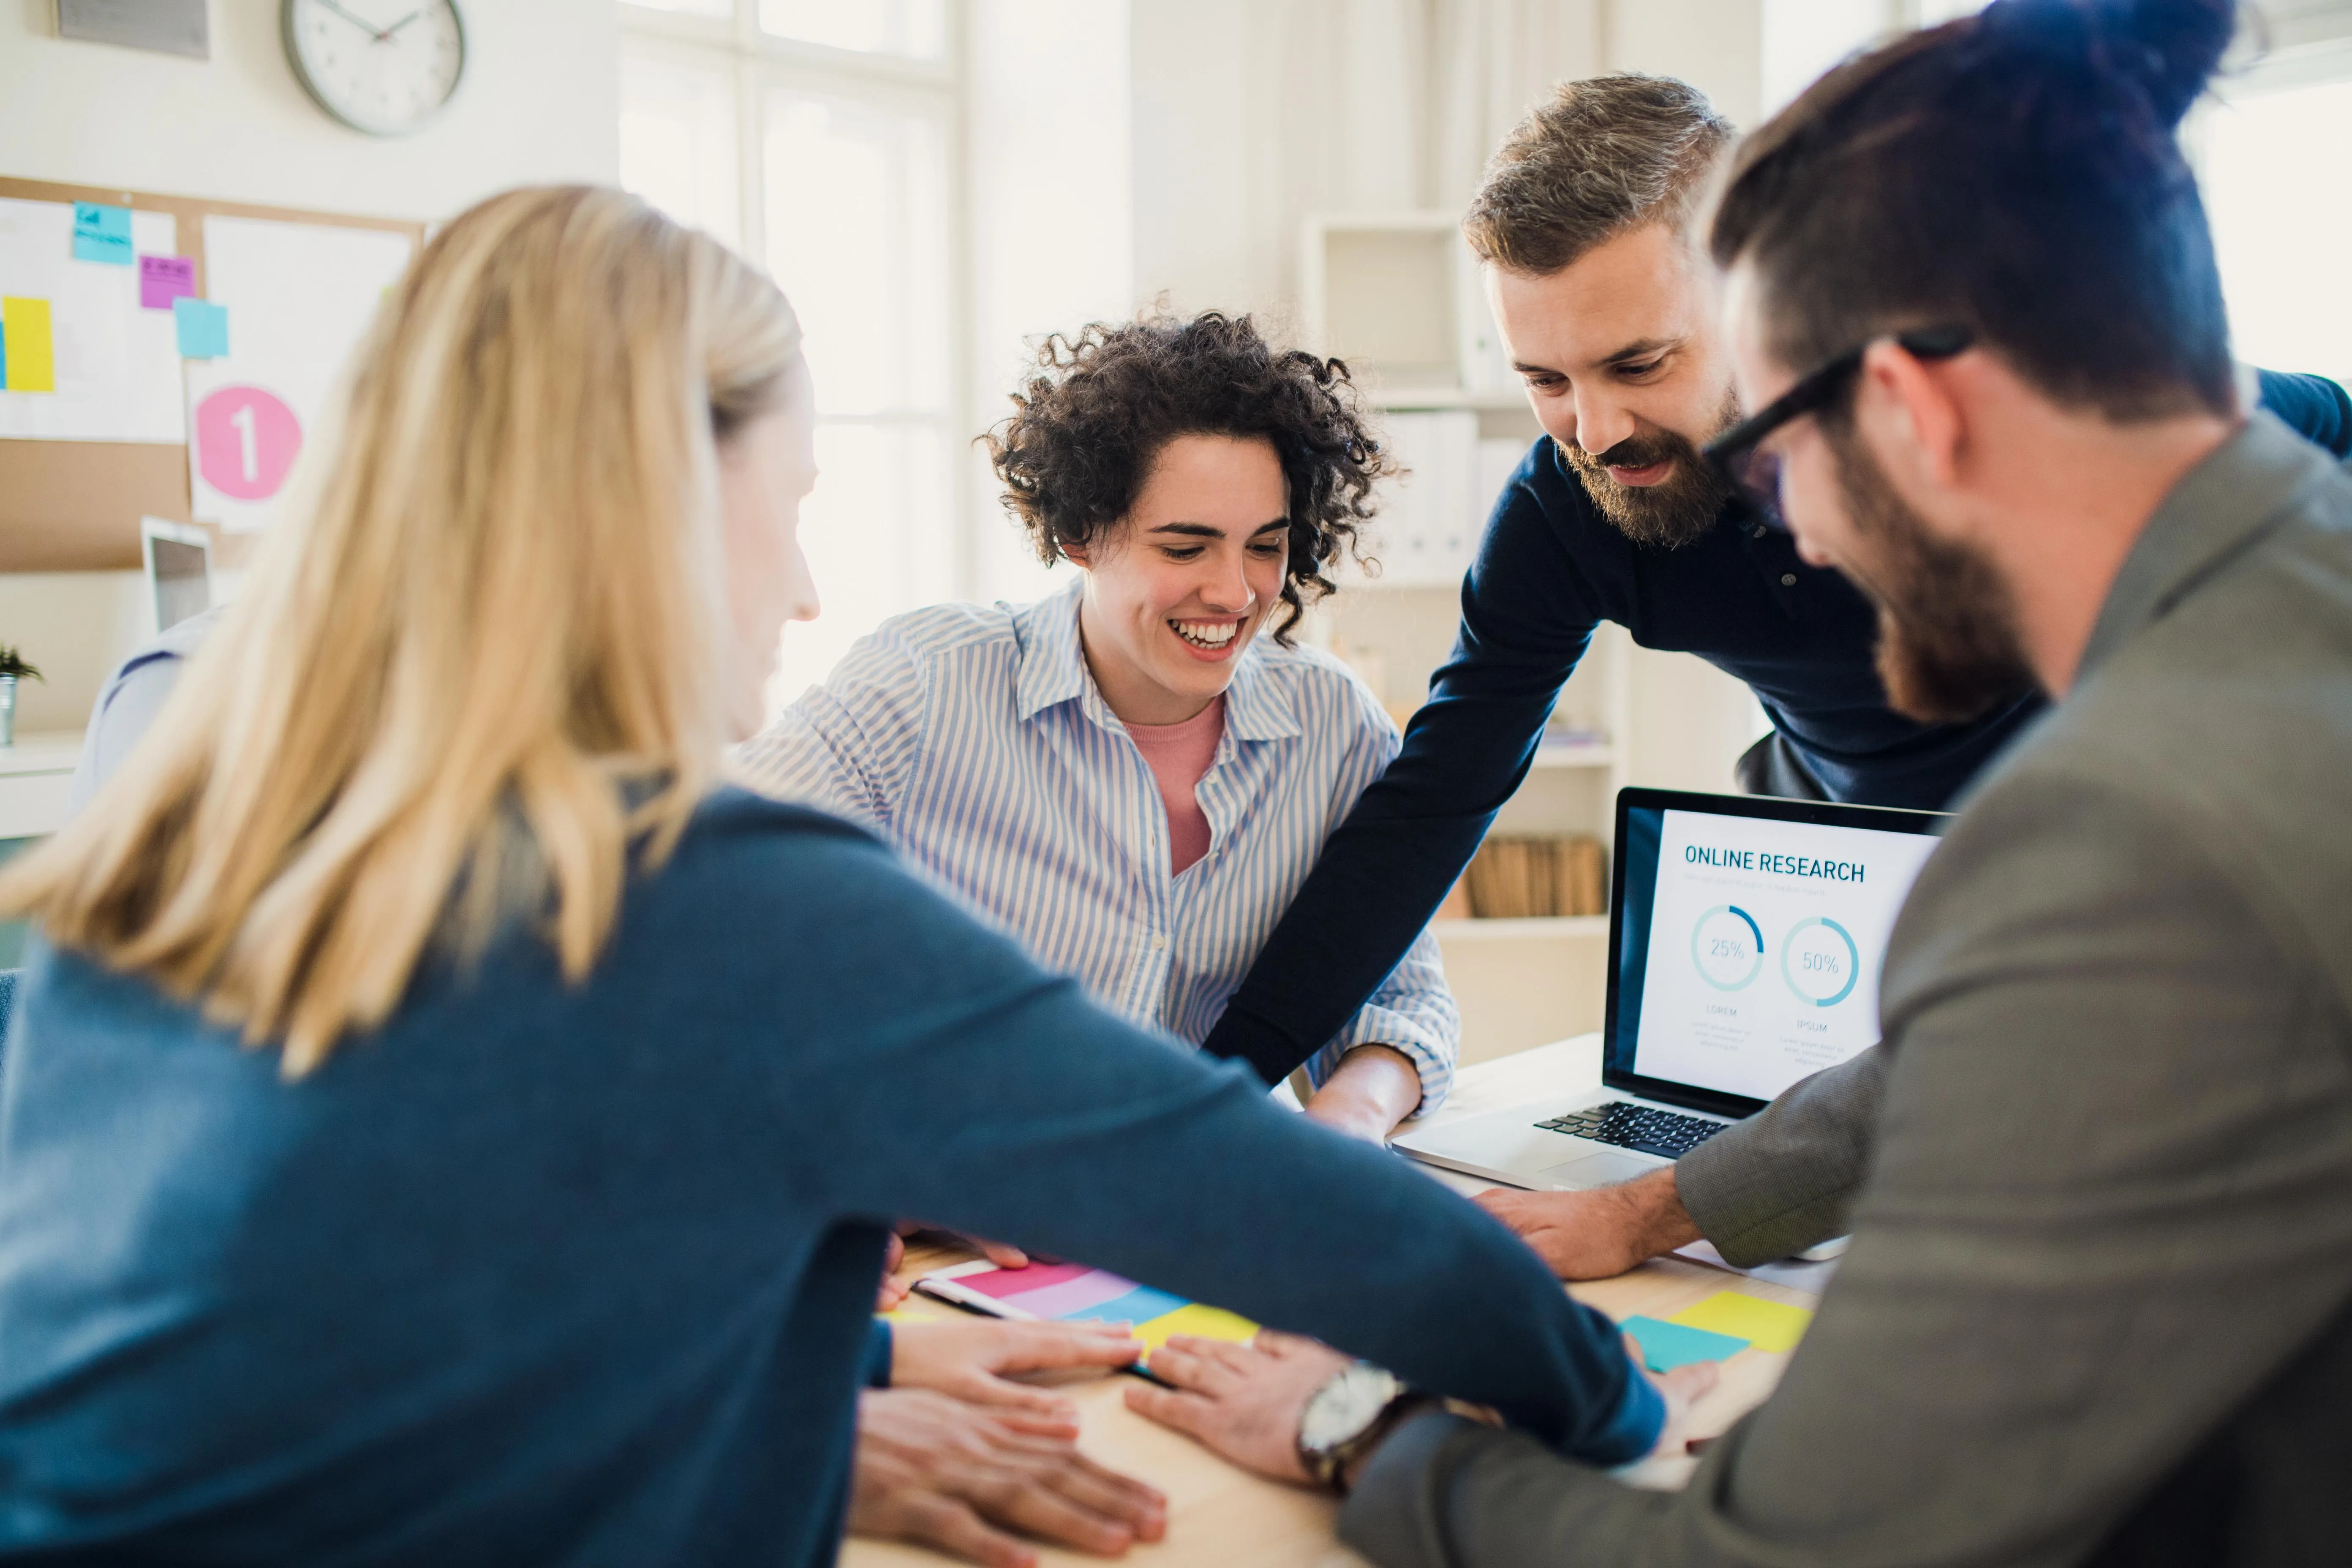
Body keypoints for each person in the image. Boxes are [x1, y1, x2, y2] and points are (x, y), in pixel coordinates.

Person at [0, 185, 1707, 1565]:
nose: (804, 583)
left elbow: (347, 1309)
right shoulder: (733, 898)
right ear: (656, 505)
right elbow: (1353, 1246)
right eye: (788, 498)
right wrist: (1632, 1423)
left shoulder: (179, 783)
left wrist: (843, 1366)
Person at [1129, 0, 2352, 1561]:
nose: (1795, 543)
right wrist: (1249, 1083)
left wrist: (1367, 1432)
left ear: (1904, 409)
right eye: (1544, 385)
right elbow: (1450, 777)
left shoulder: (2116, 840)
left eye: (1774, 433)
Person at [1194, 68, 2352, 1102]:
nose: (1594, 429)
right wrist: (1219, 1085)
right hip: (1843, 857)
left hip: (2089, 837)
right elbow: (1436, 798)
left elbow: (2319, 427)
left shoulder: (1971, 399)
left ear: (1755, 292)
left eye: (1640, 363)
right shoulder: (1563, 510)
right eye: (1545, 379)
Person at [734, 313, 1451, 1145]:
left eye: (1265, 545)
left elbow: (1401, 999)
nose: (1235, 592)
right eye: (1185, 548)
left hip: (1193, 1202)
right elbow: (718, 927)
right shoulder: (925, 683)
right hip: (961, 1205)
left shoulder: (1333, 727)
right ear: (1079, 532)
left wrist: (1348, 1117)